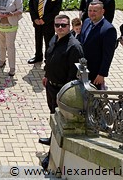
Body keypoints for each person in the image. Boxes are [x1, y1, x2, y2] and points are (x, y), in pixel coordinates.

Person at [38, 14, 84, 160]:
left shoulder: (74, 47)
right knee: (53, 115)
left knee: (60, 121)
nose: (60, 28)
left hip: (62, 91)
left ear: (69, 27)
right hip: (51, 86)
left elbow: (73, 75)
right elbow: (49, 59)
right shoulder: (54, 38)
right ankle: (52, 139)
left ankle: (52, 155)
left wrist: (64, 94)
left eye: (63, 25)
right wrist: (46, 75)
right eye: (57, 25)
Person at [78, 1, 117, 90]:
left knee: (94, 98)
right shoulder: (87, 21)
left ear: (102, 11)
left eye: (95, 11)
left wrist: (102, 74)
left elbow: (108, 55)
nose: (92, 13)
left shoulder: (108, 29)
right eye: (90, 10)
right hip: (83, 67)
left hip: (95, 71)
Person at [28, 0, 64, 64]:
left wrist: (44, 20)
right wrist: (35, 18)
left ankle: (48, 60)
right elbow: (31, 4)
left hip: (48, 22)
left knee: (49, 42)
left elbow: (57, 9)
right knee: (38, 39)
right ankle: (38, 56)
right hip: (37, 21)